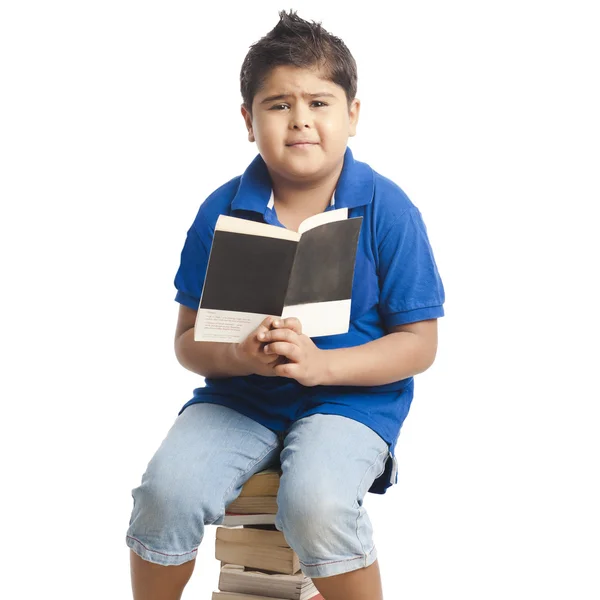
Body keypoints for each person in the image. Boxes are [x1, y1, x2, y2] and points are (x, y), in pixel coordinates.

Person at [126, 10, 445, 600]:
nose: (300, 121)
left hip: (352, 401)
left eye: (319, 103)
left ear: (353, 114)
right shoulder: (220, 211)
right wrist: (242, 355)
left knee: (315, 503)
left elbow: (419, 343)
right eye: (278, 105)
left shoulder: (388, 208)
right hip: (241, 396)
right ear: (248, 120)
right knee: (165, 491)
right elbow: (186, 343)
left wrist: (322, 367)